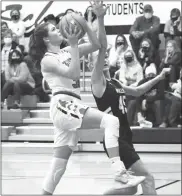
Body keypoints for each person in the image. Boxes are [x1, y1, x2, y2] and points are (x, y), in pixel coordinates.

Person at [29, 2, 145, 195]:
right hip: (63, 103)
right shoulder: (47, 59)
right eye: (53, 29)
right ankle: (120, 172)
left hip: (71, 104)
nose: (58, 30)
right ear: (46, 39)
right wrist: (74, 45)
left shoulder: (67, 51)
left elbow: (97, 45)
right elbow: (74, 74)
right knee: (111, 121)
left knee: (59, 165)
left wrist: (94, 20)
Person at [91, 2, 171, 195]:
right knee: (148, 179)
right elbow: (102, 47)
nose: (102, 61)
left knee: (131, 189)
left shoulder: (116, 83)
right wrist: (101, 18)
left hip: (126, 136)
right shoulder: (98, 83)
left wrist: (159, 77)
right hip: (116, 139)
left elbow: (137, 91)